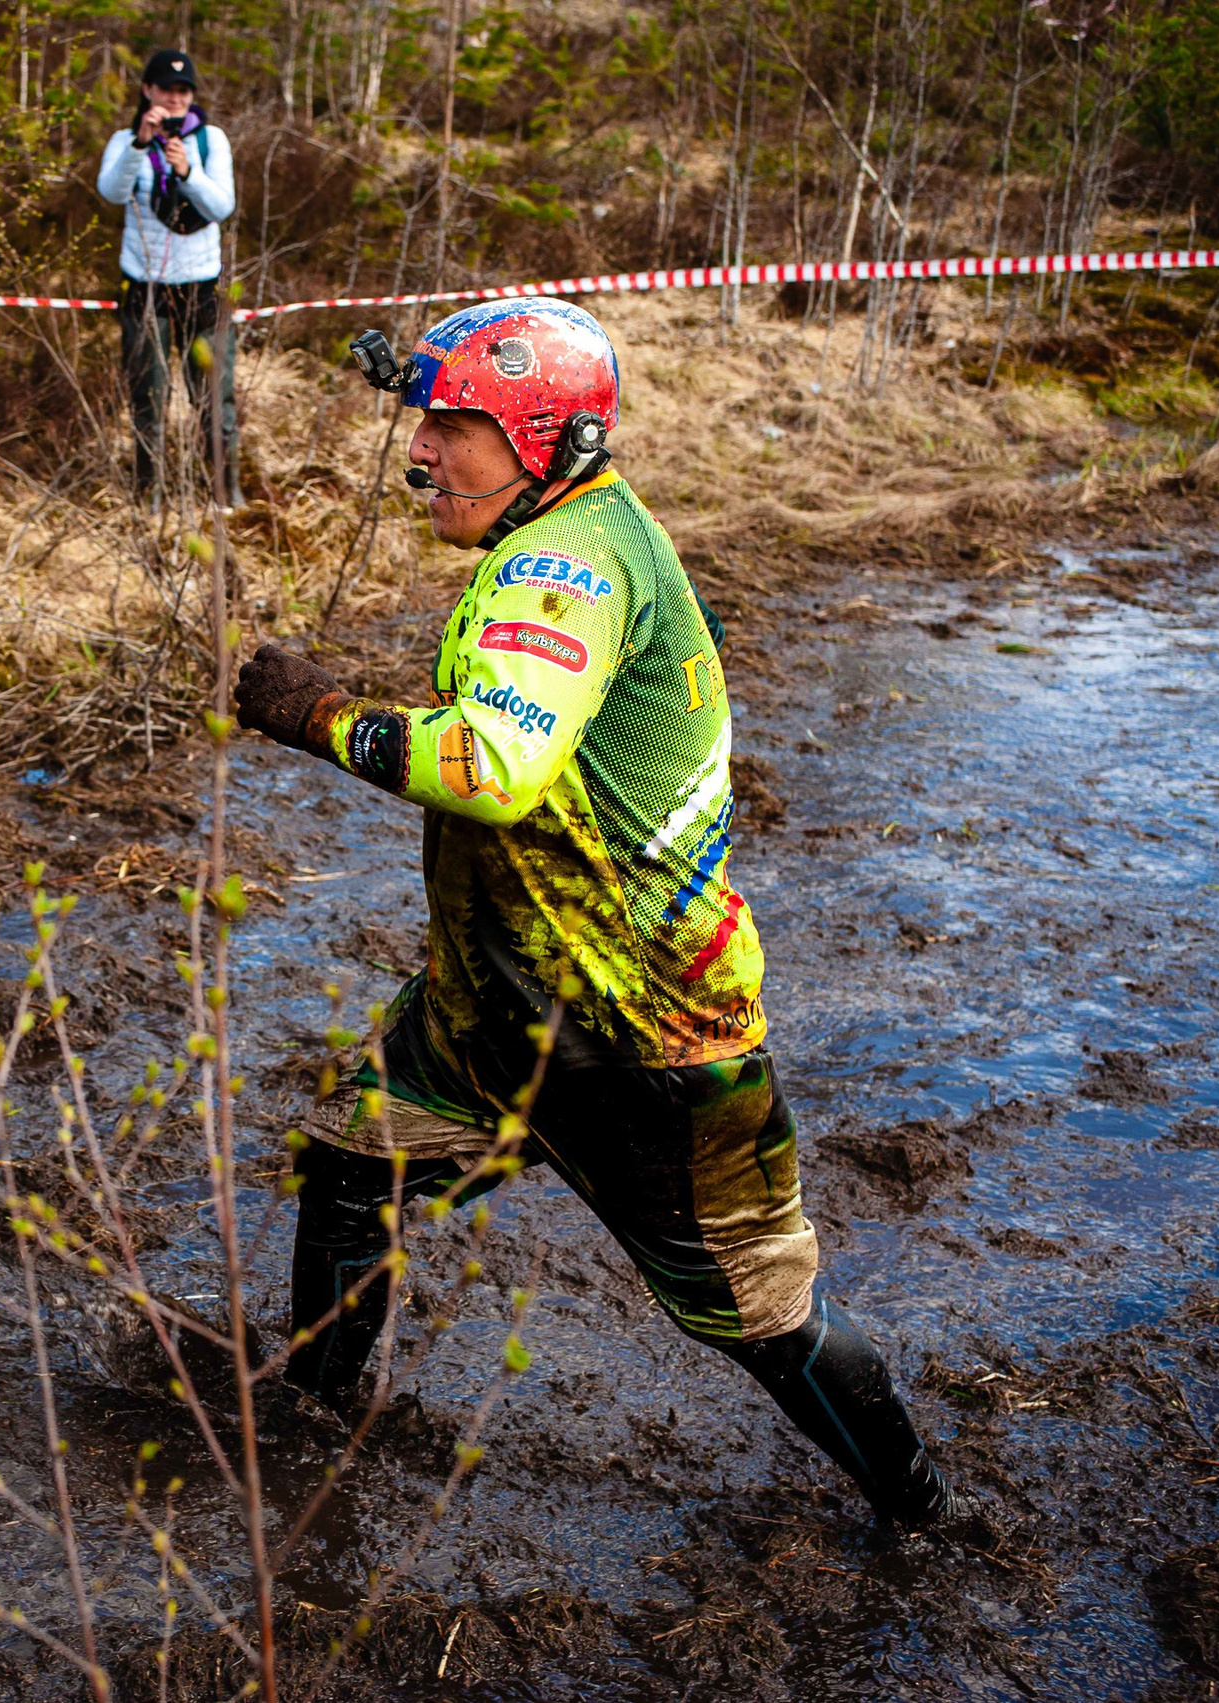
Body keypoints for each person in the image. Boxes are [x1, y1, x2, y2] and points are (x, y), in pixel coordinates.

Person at [233, 299, 981, 1535]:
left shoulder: (564, 567)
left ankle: (929, 1517)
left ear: (547, 444)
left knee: (757, 1307)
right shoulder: (578, 524)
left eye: (453, 427)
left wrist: (317, 715)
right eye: (423, 421)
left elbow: (493, 766)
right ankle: (306, 1426)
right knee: (353, 1162)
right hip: (496, 998)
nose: (421, 449)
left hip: (633, 1029)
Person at [97, 48, 238, 504]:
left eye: (183, 90)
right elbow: (111, 192)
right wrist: (141, 145)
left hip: (201, 288)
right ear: (148, 90)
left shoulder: (210, 140)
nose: (175, 98)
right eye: (166, 89)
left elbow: (221, 206)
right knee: (147, 399)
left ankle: (224, 494)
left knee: (214, 399)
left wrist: (187, 171)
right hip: (145, 287)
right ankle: (149, 496)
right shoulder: (125, 141)